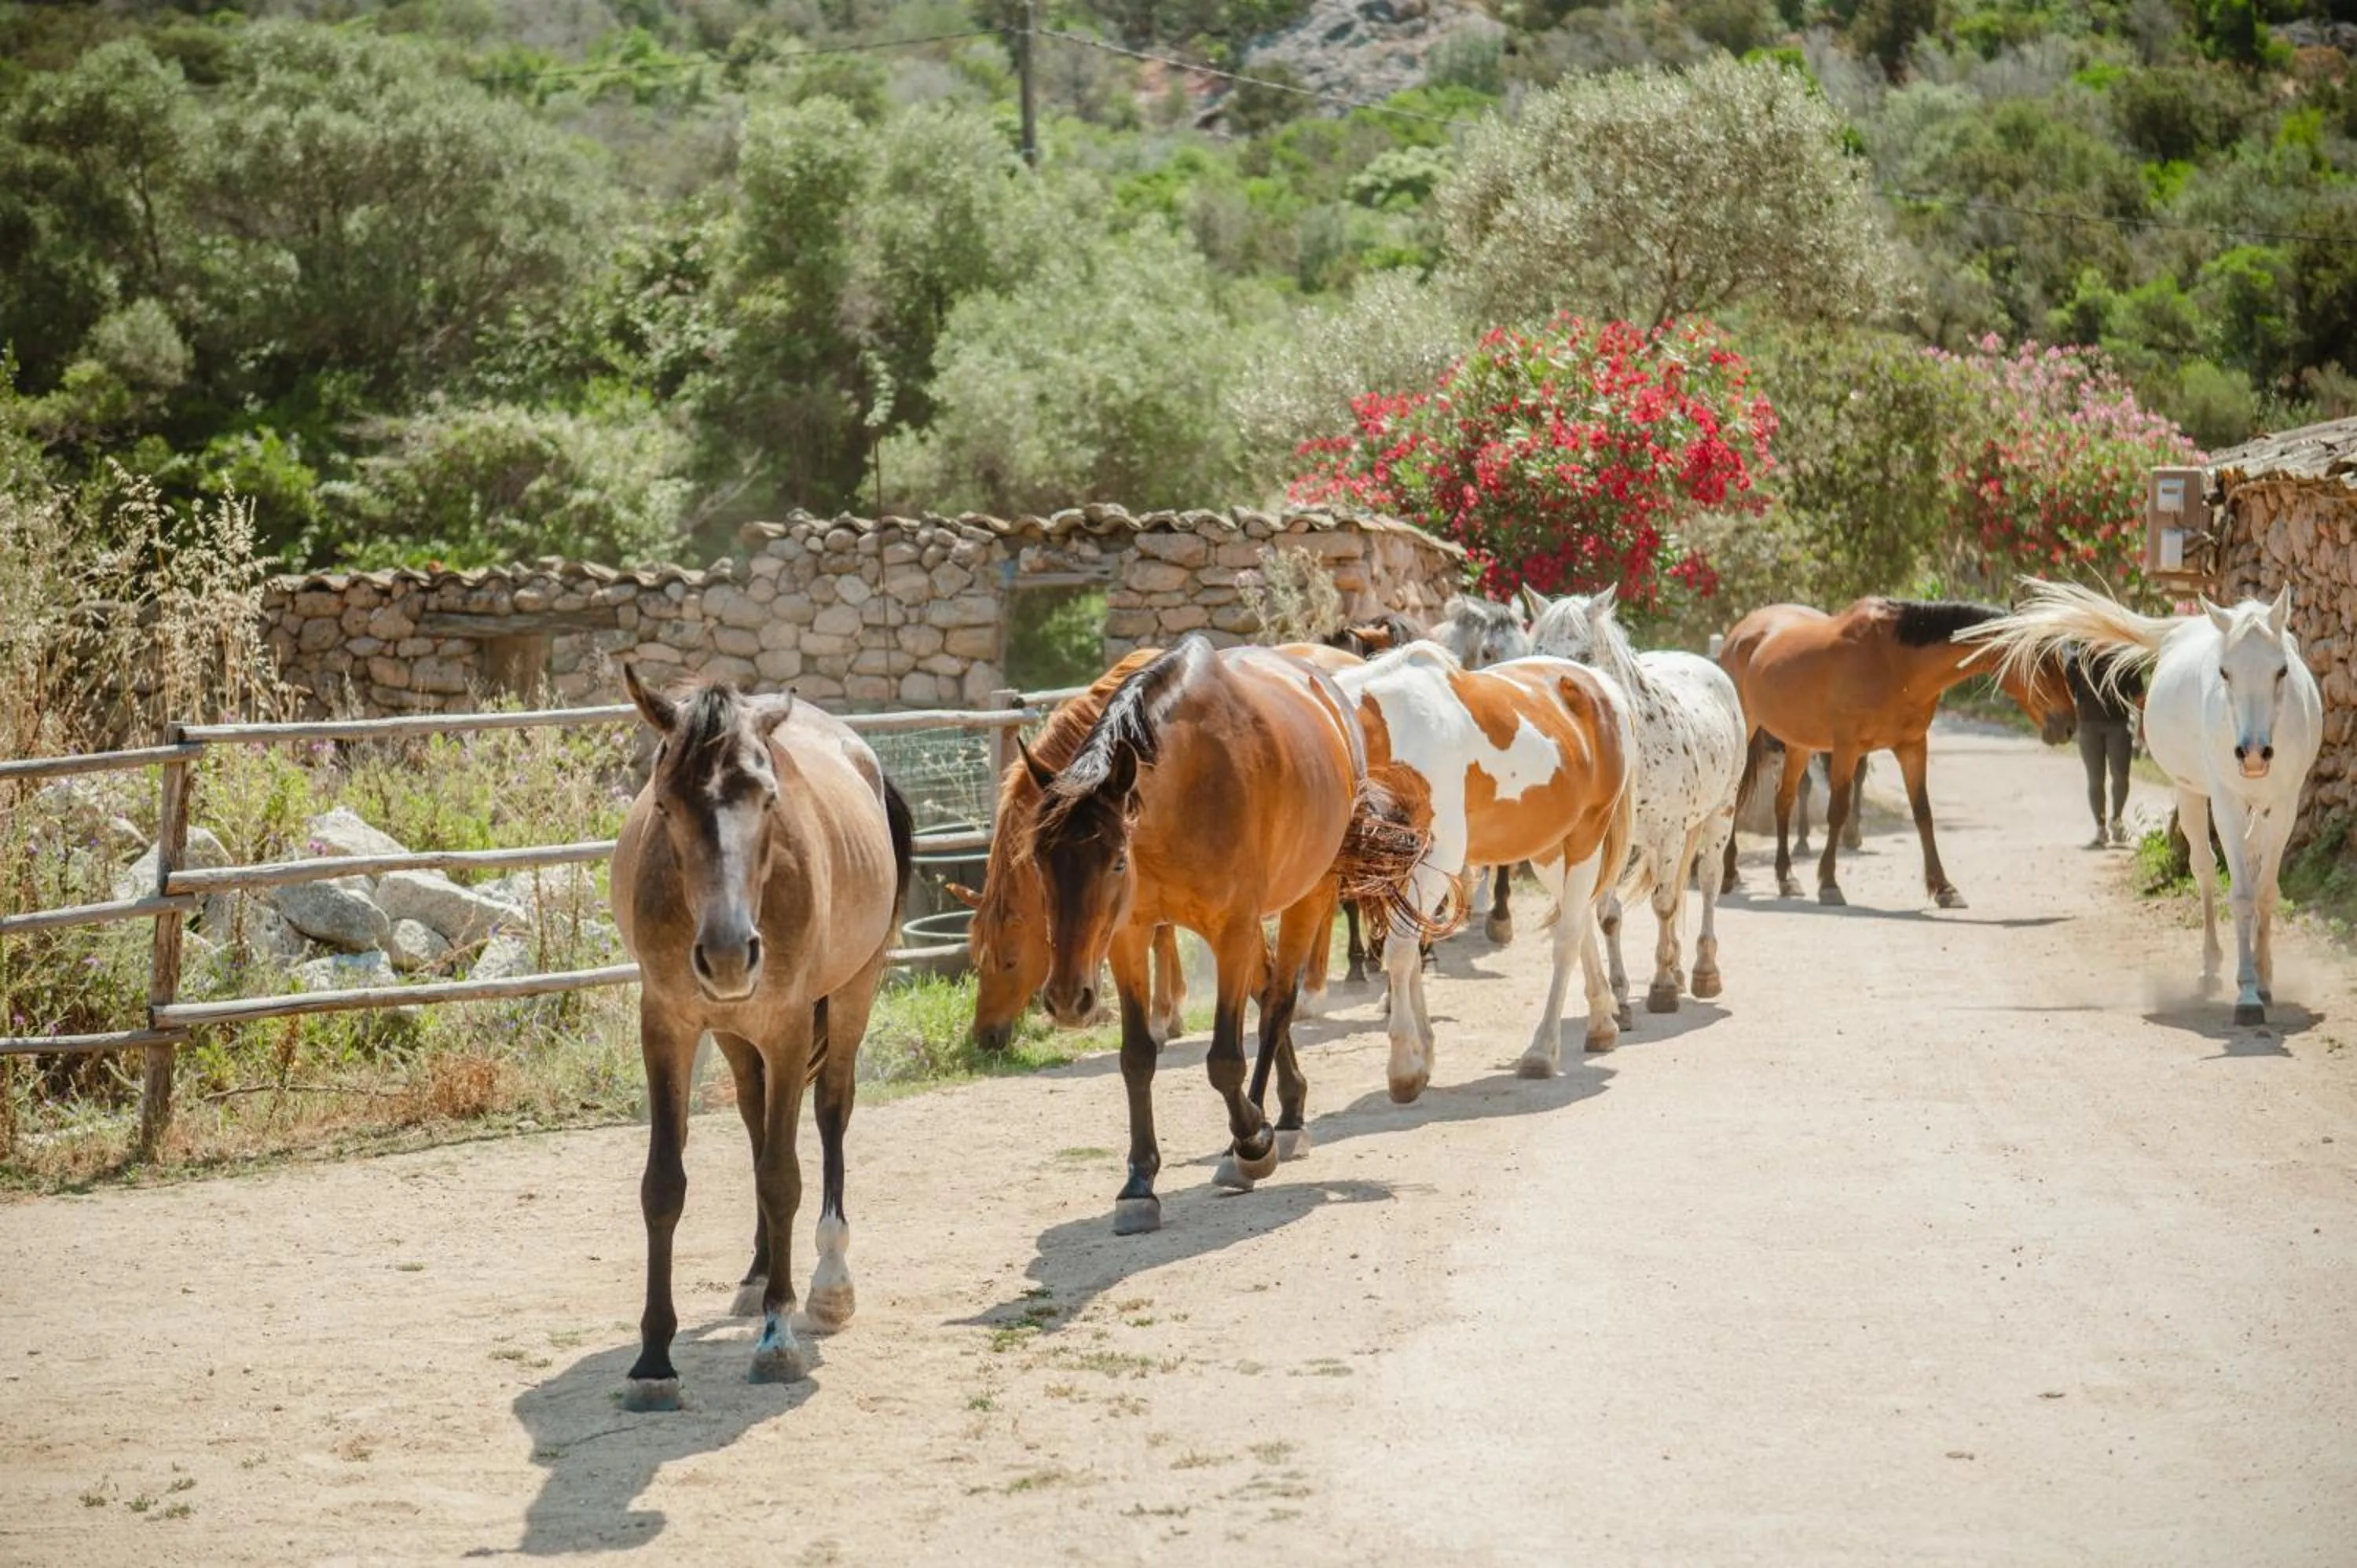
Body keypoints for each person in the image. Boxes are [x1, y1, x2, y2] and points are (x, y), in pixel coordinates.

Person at [2066, 643, 2144, 848]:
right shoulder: (2077, 661)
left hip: (2118, 726)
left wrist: (2142, 727)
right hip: (2088, 727)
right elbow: (2065, 694)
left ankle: (2116, 822)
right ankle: (2100, 828)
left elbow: (2139, 698)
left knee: (2120, 776)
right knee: (2095, 779)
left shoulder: (2124, 659)